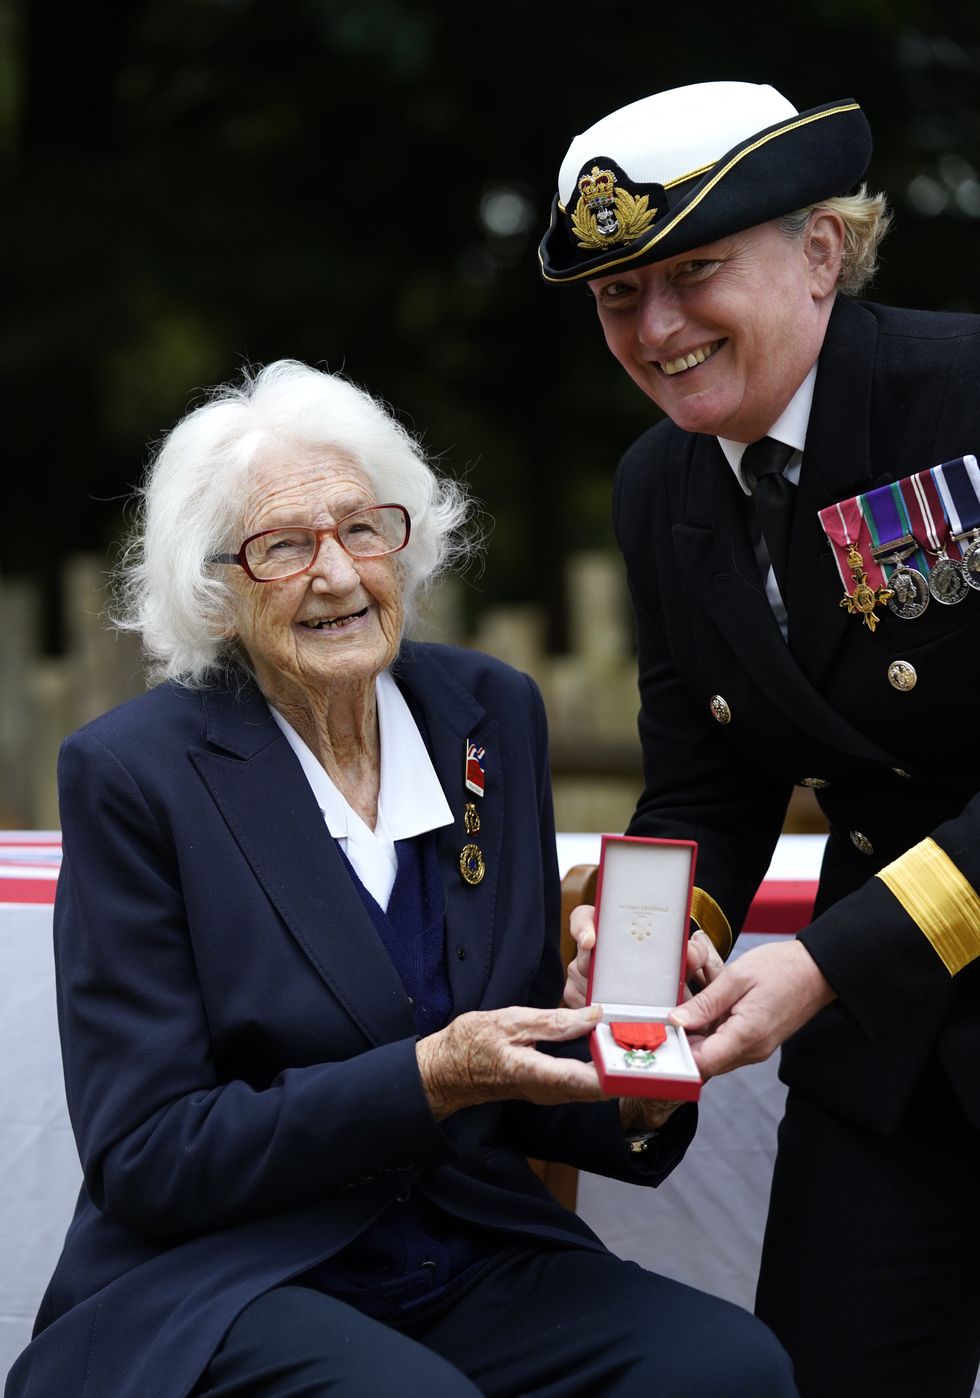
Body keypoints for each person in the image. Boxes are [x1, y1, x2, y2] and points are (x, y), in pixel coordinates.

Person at [5, 360, 797, 1398]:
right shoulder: (135, 774)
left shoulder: (486, 713)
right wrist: (431, 1075)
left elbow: (507, 1079)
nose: (336, 574)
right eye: (283, 547)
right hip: (226, 1278)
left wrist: (637, 1071)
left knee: (727, 1369)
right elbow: (149, 1155)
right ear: (212, 588)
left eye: (363, 528)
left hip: (462, 1246)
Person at [539, 81, 980, 1398]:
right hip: (892, 1049)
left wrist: (820, 968)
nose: (657, 327)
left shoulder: (966, 397)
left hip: (868, 967)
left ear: (823, 251)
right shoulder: (658, 486)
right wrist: (634, 958)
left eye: (693, 273)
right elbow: (708, 779)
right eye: (619, 293)